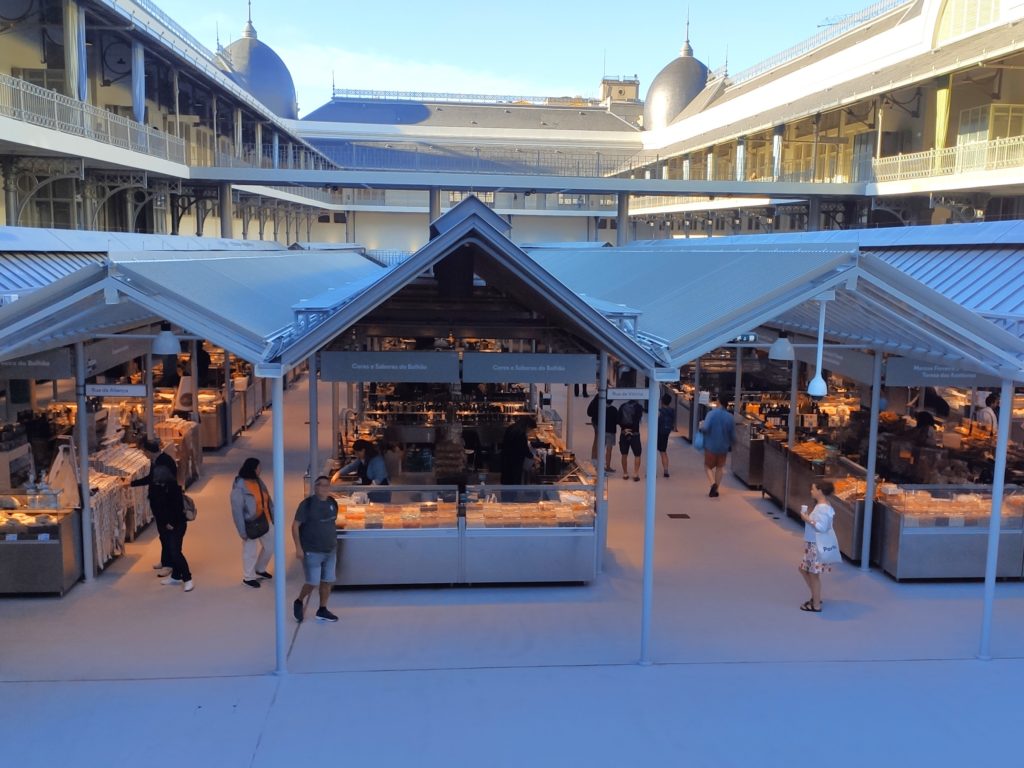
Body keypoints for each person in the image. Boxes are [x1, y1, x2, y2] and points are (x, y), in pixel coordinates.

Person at [129, 439, 192, 591]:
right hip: (165, 516)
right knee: (166, 539)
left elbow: (174, 507)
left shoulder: (168, 484)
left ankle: (185, 576)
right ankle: (173, 570)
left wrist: (170, 522)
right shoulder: (160, 471)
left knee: (174, 548)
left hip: (173, 520)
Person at [291, 475, 339, 623]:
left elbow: (332, 523)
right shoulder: (307, 504)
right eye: (321, 485)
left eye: (327, 485)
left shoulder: (332, 503)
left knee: (327, 581)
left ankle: (322, 609)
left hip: (330, 550)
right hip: (312, 551)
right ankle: (299, 600)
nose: (324, 488)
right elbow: (295, 526)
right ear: (315, 487)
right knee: (312, 582)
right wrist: (298, 547)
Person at [230, 457, 274, 588]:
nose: (261, 469)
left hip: (266, 519)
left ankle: (260, 568)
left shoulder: (258, 481)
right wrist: (242, 531)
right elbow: (237, 511)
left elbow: (267, 499)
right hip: (251, 522)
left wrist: (273, 514)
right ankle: (248, 577)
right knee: (250, 551)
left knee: (271, 545)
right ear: (253, 469)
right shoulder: (239, 487)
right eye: (259, 467)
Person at [797, 481, 836, 612]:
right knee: (805, 570)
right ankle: (816, 597)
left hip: (815, 545)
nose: (811, 491)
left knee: (813, 574)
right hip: (814, 544)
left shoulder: (822, 508)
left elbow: (821, 527)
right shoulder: (823, 506)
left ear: (820, 491)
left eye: (813, 489)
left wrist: (807, 519)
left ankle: (816, 603)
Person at [699, 397, 735, 497]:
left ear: (718, 402)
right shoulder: (730, 417)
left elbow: (705, 428)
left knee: (707, 466)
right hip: (723, 446)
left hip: (711, 445)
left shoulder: (711, 414)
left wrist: (701, 429)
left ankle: (712, 484)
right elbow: (732, 434)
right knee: (720, 467)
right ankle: (716, 489)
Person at [500, 416, 537, 485]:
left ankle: (505, 495)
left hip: (506, 459)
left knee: (506, 481)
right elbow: (524, 449)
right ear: (527, 425)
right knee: (514, 482)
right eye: (530, 429)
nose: (529, 431)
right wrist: (533, 457)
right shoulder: (521, 434)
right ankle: (512, 495)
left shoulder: (511, 428)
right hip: (515, 461)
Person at [618, 398, 644, 481]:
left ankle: (625, 473)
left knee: (624, 454)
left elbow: (618, 419)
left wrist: (624, 427)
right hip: (635, 433)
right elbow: (638, 420)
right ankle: (635, 474)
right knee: (637, 454)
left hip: (624, 433)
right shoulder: (639, 407)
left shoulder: (622, 406)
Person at [656, 393, 675, 478]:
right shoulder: (672, 411)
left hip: (659, 433)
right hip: (666, 433)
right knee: (663, 451)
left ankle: (653, 470)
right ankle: (666, 470)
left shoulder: (660, 412)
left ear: (662, 401)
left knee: (657, 452)